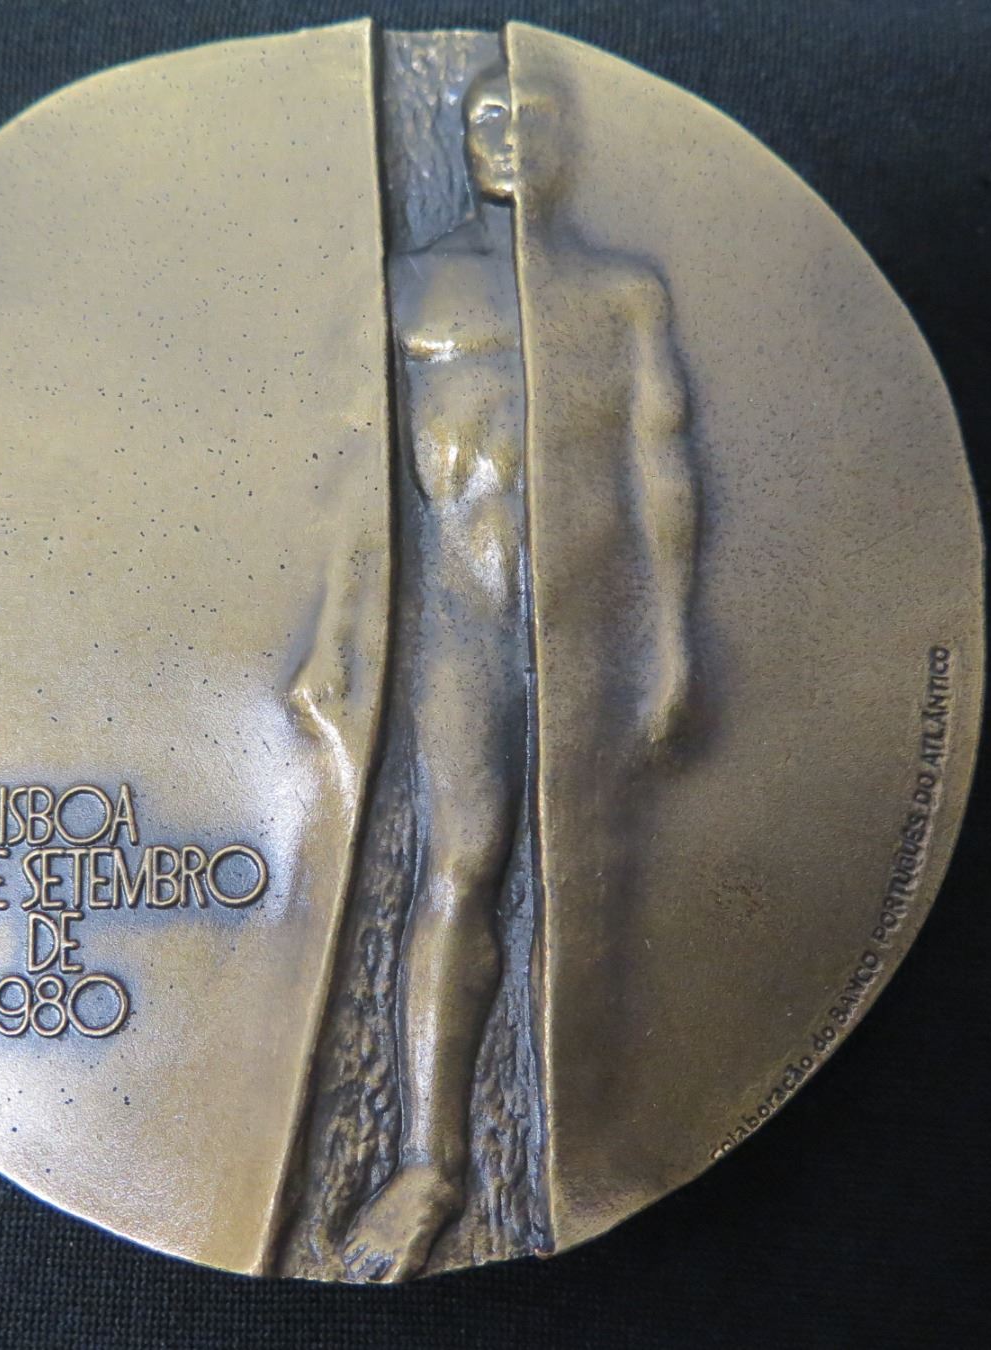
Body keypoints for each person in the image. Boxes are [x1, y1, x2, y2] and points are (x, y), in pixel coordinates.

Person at [289, 65, 696, 1281]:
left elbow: (662, 466)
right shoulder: (406, 285)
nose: (512, 137)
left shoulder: (623, 292)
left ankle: (591, 1145)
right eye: (488, 119)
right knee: (463, 865)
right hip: (457, 620)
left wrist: (675, 638)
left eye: (534, 117)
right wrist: (335, 637)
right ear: (462, 142)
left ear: (571, 143)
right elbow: (356, 485)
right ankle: (432, 1163)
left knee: (588, 876)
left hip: (585, 617)